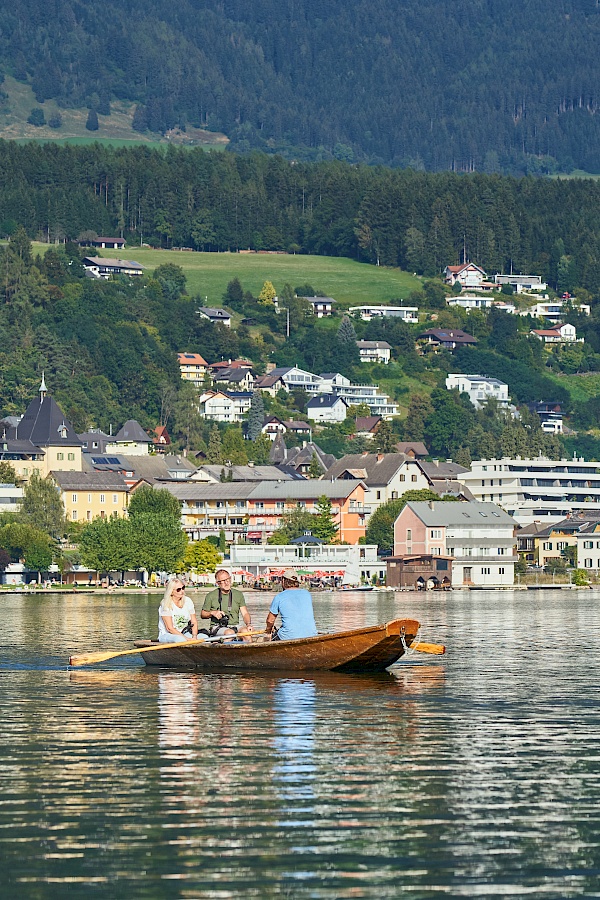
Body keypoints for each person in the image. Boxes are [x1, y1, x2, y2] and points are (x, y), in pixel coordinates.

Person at [265, 569, 318, 641]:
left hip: (287, 637)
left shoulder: (279, 597)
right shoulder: (307, 594)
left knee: (272, 638)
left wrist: (268, 631)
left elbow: (270, 620)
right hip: (311, 635)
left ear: (283, 581)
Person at [202, 569, 252, 637]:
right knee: (229, 633)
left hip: (235, 626)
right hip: (217, 627)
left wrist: (248, 624)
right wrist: (212, 613)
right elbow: (203, 614)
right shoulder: (211, 596)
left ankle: (248, 646)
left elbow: (245, 613)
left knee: (247, 632)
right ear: (218, 583)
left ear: (230, 579)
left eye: (227, 579)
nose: (226, 583)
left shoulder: (238, 594)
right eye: (223, 581)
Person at [158, 577, 206, 644]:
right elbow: (170, 628)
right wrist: (187, 639)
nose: (182, 591)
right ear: (171, 591)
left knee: (205, 637)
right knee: (180, 639)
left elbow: (194, 621)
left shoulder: (188, 601)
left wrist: (194, 636)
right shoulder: (166, 604)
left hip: (185, 632)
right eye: (178, 589)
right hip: (168, 634)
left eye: (183, 588)